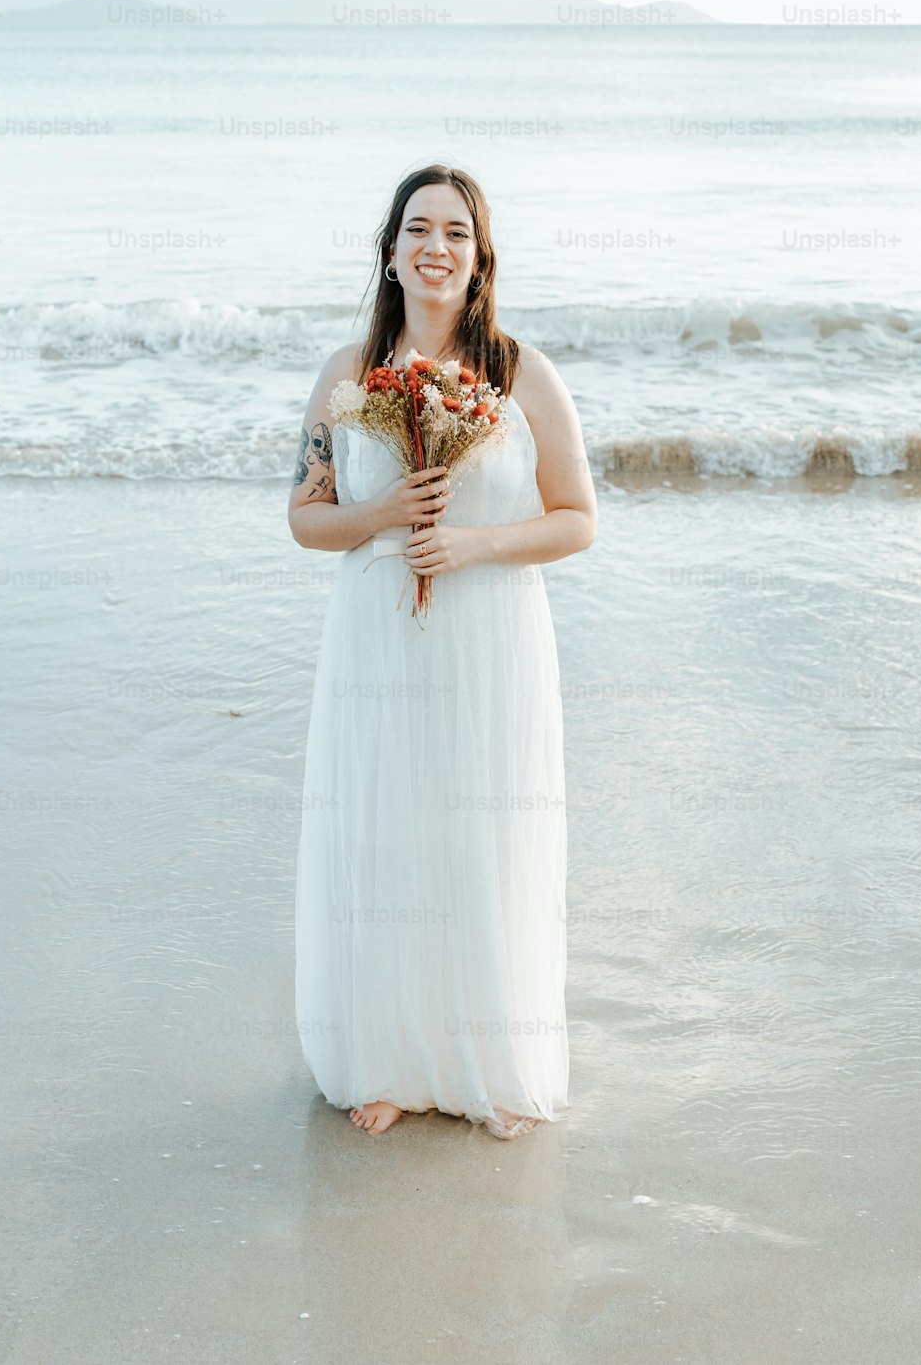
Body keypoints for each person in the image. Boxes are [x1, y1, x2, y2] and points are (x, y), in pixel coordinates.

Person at [288, 164, 596, 1139]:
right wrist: (381, 514)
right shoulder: (347, 375)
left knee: (484, 838)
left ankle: (491, 1068)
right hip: (377, 637)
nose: (435, 246)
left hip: (492, 633)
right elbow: (305, 517)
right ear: (389, 253)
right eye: (416, 228)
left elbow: (578, 519)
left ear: (479, 257)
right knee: (385, 837)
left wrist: (471, 545)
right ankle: (385, 1064)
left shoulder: (517, 372)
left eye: (455, 232)